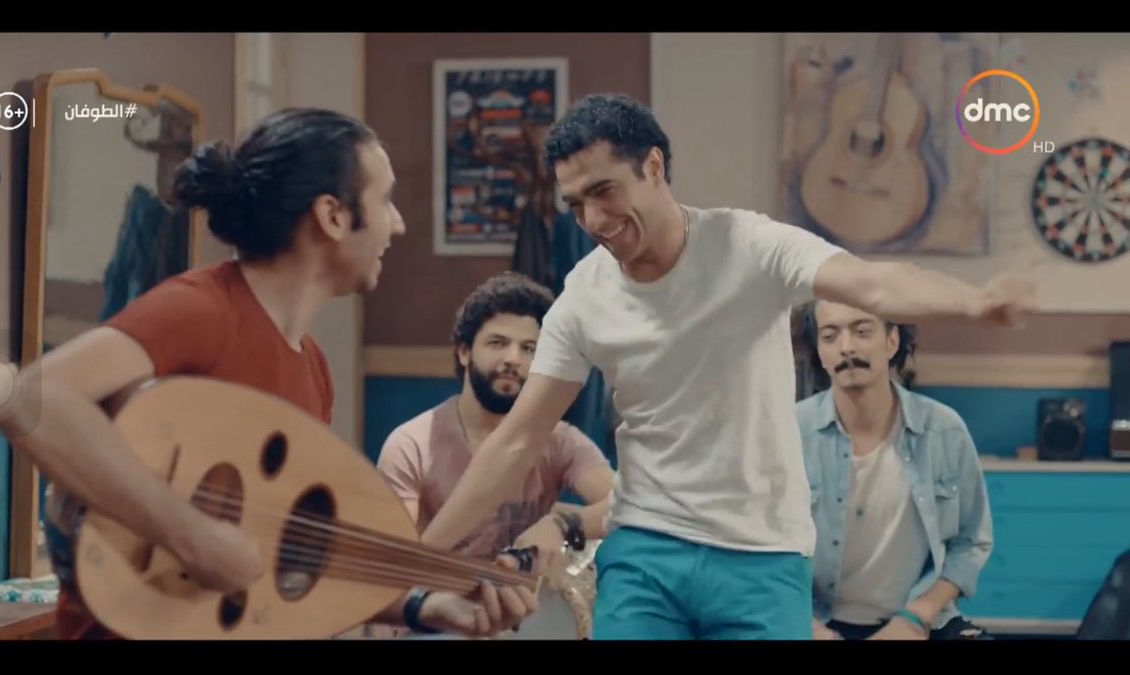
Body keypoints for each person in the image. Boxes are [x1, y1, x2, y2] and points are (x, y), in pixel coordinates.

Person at [414, 93, 1035, 640]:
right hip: (645, 552)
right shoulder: (583, 295)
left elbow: (871, 283)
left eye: (604, 192)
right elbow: (517, 439)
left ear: (653, 167)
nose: (593, 221)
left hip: (763, 555)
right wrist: (420, 558)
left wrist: (974, 301)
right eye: (576, 204)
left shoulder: (751, 247)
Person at [0, 108, 535, 640]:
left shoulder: (313, 367)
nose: (397, 223)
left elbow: (287, 565)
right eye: (385, 200)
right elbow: (34, 396)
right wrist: (193, 538)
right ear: (333, 216)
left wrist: (424, 606)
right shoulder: (204, 309)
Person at [377, 272, 614, 564]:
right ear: (464, 352)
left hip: (527, 593)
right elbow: (395, 562)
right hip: (438, 591)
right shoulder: (411, 446)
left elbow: (626, 505)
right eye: (497, 343)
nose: (513, 358)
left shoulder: (558, 439)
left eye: (529, 349)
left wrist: (563, 524)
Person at [795, 300, 994, 640]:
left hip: (920, 618)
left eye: (862, 331)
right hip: (814, 620)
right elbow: (763, 549)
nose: (846, 347)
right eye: (830, 336)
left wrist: (916, 617)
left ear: (892, 341)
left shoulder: (944, 429)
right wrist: (807, 626)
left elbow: (971, 541)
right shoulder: (790, 433)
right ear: (819, 352)